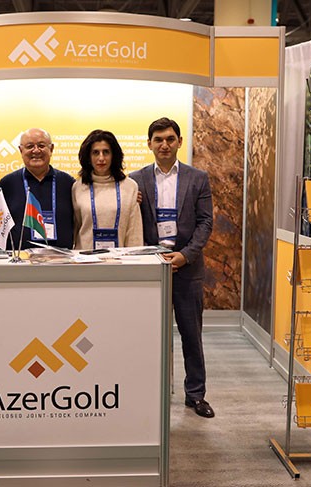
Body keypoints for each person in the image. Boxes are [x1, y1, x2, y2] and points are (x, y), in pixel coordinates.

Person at [130, 117, 214, 418]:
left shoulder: (198, 178)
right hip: (151, 271)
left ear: (179, 141)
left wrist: (185, 255)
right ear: (149, 144)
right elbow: (132, 223)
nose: (164, 145)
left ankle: (196, 395)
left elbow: (205, 222)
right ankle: (150, 393)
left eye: (169, 139)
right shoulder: (135, 180)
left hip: (187, 270)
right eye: (158, 140)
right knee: (150, 336)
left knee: (191, 336)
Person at [0, 128, 75, 250]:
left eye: (41, 145)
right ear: (21, 150)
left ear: (51, 149)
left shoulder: (68, 183)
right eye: (30, 146)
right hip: (19, 259)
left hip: (62, 259)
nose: (36, 150)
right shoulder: (7, 184)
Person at [72, 129, 143, 249]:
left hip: (120, 258)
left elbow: (134, 232)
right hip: (85, 257)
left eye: (106, 152)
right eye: (95, 152)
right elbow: (76, 227)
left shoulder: (130, 187)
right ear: (88, 157)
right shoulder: (78, 187)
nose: (101, 158)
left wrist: (134, 258)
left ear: (113, 155)